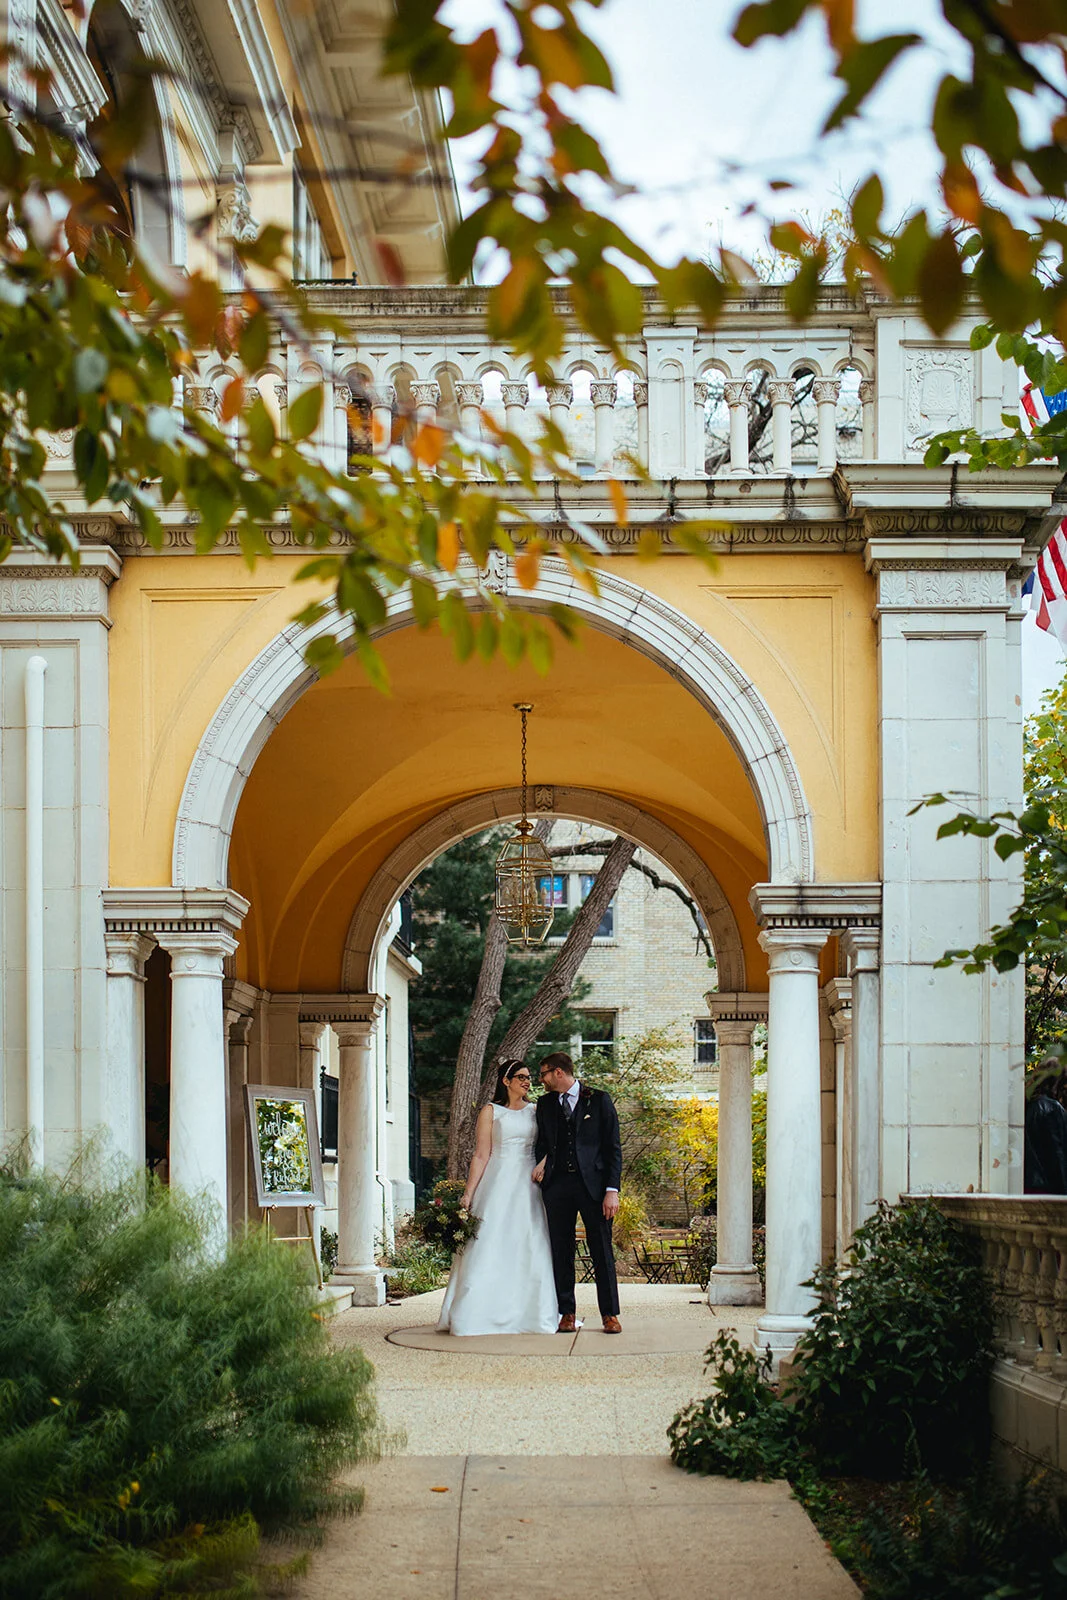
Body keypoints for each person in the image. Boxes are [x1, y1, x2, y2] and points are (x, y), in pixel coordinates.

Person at [437, 1059, 558, 1336]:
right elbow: (481, 1155)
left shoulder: (536, 1111)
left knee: (529, 1243)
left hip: (528, 1183)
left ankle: (532, 1315)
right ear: (506, 1081)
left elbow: (557, 1143)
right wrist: (469, 1193)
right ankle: (478, 1314)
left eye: (529, 1077)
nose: (527, 1082)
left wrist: (545, 1162)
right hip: (497, 1181)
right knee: (489, 1243)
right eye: (521, 1077)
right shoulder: (491, 1112)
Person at [533, 1051, 623, 1334]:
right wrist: (544, 1162)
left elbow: (613, 1149)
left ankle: (609, 1314)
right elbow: (542, 1143)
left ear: (558, 1072)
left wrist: (612, 1190)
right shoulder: (545, 1104)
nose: (541, 1080)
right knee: (561, 1250)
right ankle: (566, 1312)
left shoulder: (598, 1099)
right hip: (557, 1187)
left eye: (544, 1073)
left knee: (602, 1251)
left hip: (594, 1188)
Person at [1024, 1061, 1067, 1194]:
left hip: (1029, 1184)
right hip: (1048, 1187)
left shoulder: (1029, 1106)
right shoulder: (1052, 1108)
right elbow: (1057, 1154)